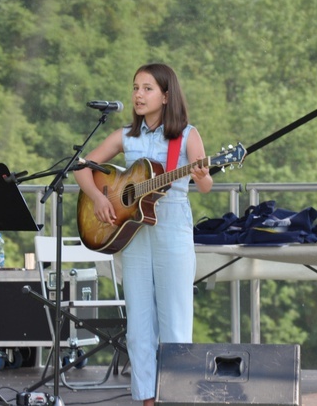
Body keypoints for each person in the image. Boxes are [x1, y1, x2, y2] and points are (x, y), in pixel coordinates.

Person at [74, 63, 213, 406]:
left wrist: (201, 175)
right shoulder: (126, 136)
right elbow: (81, 167)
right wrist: (99, 199)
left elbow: (207, 186)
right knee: (138, 323)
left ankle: (178, 396)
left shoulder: (187, 135)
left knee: (175, 319)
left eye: (147, 88)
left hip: (172, 230)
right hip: (132, 234)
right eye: (136, 87)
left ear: (166, 96)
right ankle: (146, 399)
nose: (138, 94)